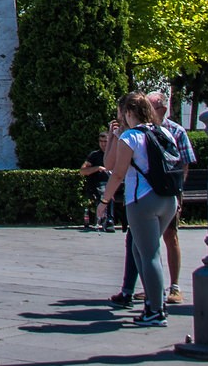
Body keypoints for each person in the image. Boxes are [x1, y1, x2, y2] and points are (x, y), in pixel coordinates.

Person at [97, 92, 178, 329]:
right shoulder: (164, 132)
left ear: (129, 112)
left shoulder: (132, 136)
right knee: (140, 249)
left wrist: (104, 201)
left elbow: (117, 172)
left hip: (142, 200)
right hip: (167, 199)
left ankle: (156, 309)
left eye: (121, 112)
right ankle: (155, 302)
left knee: (148, 253)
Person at [145, 91, 191, 302]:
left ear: (162, 109)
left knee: (170, 236)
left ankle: (174, 286)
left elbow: (184, 164)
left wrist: (178, 194)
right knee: (147, 240)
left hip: (168, 192)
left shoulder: (177, 131)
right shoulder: (143, 131)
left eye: (149, 108)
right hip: (147, 192)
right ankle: (153, 286)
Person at [80, 126, 114, 231]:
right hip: (101, 184)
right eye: (101, 141)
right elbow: (82, 171)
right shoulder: (94, 155)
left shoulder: (115, 153)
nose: (103, 144)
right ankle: (108, 220)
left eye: (105, 141)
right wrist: (97, 168)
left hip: (116, 182)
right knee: (107, 193)